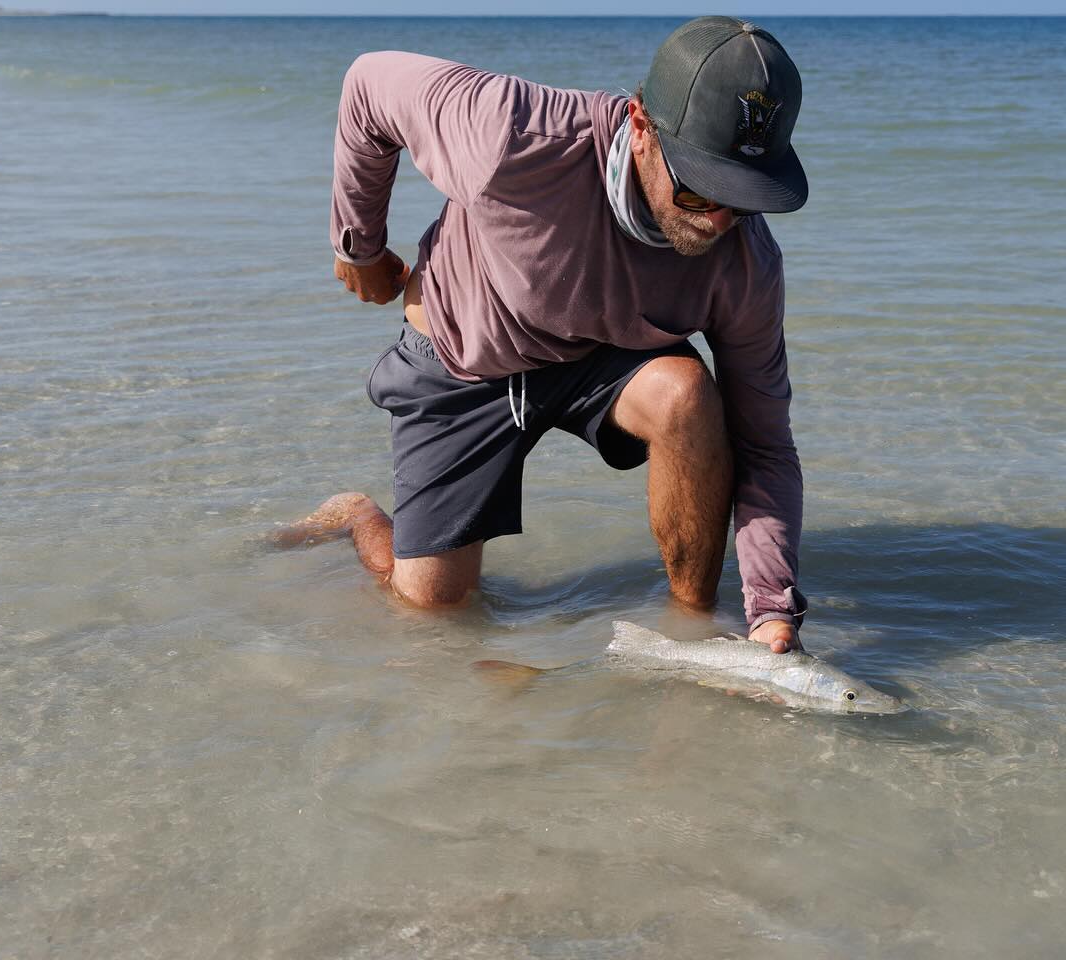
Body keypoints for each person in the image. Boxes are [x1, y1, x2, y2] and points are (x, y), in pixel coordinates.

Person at [286, 16, 809, 653]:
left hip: (604, 358)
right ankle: (356, 514)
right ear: (641, 126)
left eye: (746, 196)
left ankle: (692, 621)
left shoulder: (748, 263)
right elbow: (368, 85)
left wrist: (772, 611)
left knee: (686, 396)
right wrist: (360, 246)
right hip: (464, 357)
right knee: (431, 610)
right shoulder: (510, 134)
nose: (721, 220)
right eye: (701, 191)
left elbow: (766, 445)